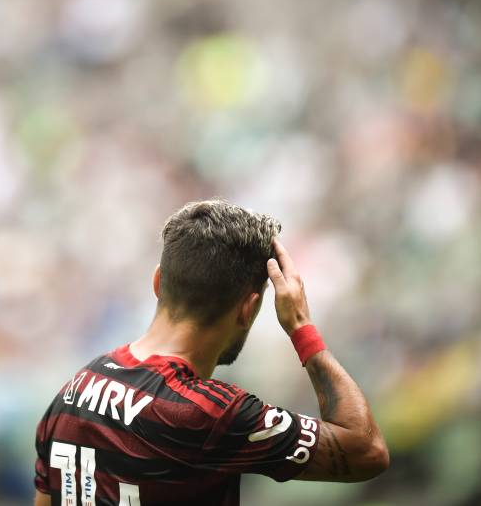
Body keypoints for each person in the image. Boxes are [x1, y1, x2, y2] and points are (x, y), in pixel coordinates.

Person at [33, 200, 389, 506]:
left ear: (158, 282)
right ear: (247, 309)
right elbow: (366, 450)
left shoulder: (74, 390)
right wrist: (301, 327)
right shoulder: (208, 414)